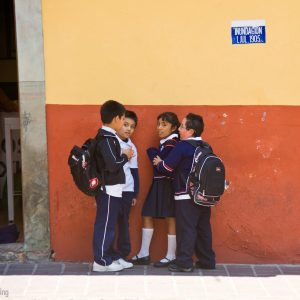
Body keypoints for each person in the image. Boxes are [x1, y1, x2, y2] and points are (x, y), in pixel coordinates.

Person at [153, 113, 216, 272]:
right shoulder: (206, 146)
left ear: (191, 131)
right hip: (204, 195)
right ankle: (207, 261)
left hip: (185, 194)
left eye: (182, 126)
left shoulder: (182, 146)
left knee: (186, 228)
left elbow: (167, 168)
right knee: (203, 228)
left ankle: (184, 263)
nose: (179, 130)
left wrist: (159, 162)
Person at [131, 112, 180, 267]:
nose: (159, 128)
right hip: (157, 184)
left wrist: (153, 153)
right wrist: (157, 156)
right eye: (158, 124)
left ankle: (171, 255)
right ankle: (144, 253)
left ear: (174, 127)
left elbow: (161, 165)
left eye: (164, 125)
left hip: (167, 184)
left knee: (170, 217)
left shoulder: (172, 143)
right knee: (147, 214)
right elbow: (158, 160)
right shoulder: (165, 143)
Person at [92, 100, 134, 272]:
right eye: (123, 119)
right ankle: (101, 261)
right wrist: (126, 156)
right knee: (105, 225)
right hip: (108, 189)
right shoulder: (106, 138)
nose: (123, 122)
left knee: (110, 225)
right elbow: (112, 164)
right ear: (116, 118)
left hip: (114, 188)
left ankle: (111, 256)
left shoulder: (109, 137)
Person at [115, 110, 139, 263]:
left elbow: (134, 171)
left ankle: (122, 254)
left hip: (127, 190)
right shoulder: (111, 143)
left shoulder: (132, 147)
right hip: (112, 189)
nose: (128, 129)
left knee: (124, 222)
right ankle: (108, 254)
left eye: (132, 126)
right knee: (110, 222)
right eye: (125, 125)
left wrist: (135, 193)